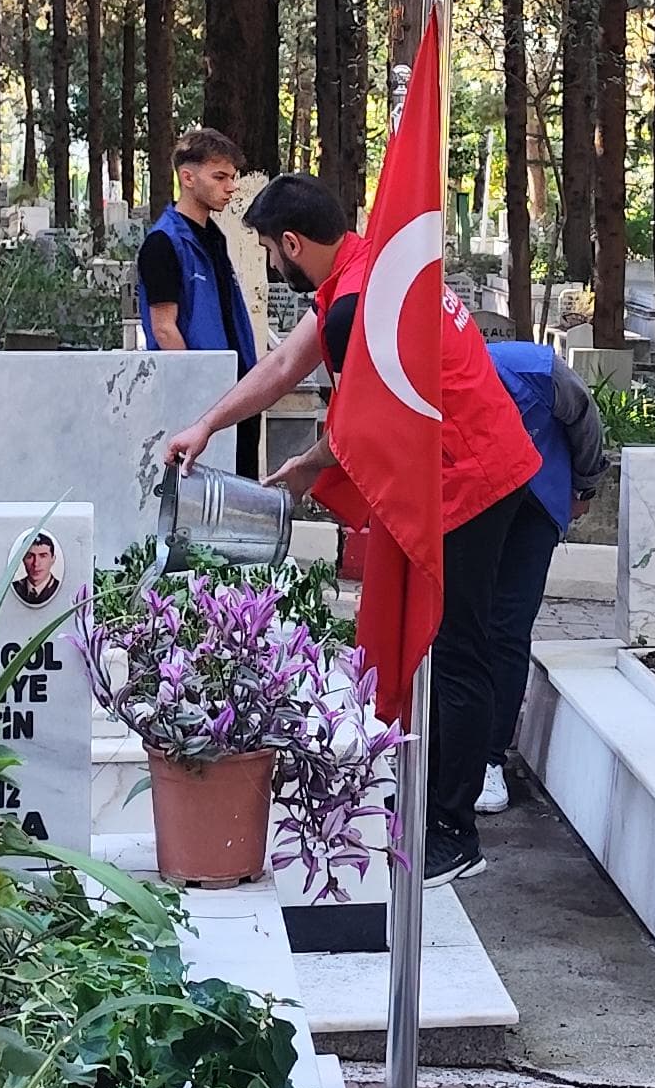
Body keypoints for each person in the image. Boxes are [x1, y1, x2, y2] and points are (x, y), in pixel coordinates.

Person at [161, 172, 539, 881]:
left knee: (455, 649)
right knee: (449, 649)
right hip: (476, 460)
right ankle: (428, 799)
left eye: (273, 251)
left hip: (469, 476)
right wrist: (208, 424)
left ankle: (452, 835)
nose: (274, 266)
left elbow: (370, 415)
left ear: (294, 242)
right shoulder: (365, 269)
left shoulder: (357, 301)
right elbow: (283, 364)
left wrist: (310, 461)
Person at [476, 339, 606, 812]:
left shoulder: (537, 371)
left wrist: (586, 483)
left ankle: (490, 759)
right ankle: (451, 749)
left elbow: (586, 419)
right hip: (474, 500)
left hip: (534, 500)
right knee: (463, 623)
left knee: (506, 628)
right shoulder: (433, 383)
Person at [136, 124, 261, 475]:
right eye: (220, 176)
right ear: (188, 178)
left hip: (237, 391)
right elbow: (164, 329)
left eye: (233, 177)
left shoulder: (215, 237)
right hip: (204, 402)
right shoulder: (164, 243)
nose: (231, 187)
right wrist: (199, 396)